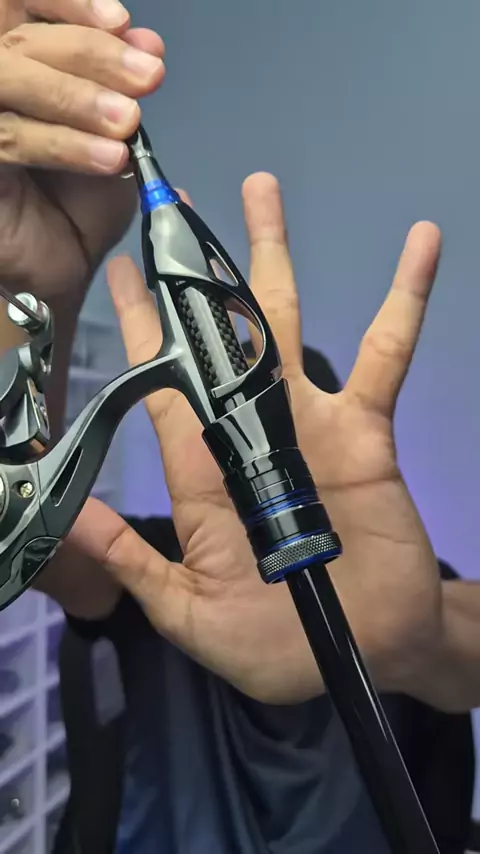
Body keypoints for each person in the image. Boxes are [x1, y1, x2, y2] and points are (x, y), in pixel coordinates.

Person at [0, 1, 479, 851]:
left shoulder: (409, 584)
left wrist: (414, 644)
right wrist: (31, 288)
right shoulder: (153, 564)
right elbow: (18, 527)